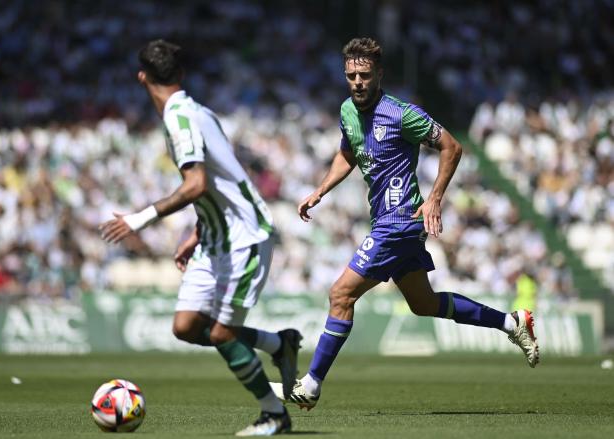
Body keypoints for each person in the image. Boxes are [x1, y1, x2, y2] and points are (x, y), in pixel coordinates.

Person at [270, 37, 539, 410]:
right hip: (386, 220)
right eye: (351, 76)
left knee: (340, 295)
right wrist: (320, 191)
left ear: (379, 74)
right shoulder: (348, 110)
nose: (358, 82)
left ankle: (311, 385)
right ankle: (512, 323)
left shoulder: (401, 114)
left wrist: (435, 197)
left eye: (365, 75)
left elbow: (452, 146)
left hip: (399, 222)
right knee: (424, 303)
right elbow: (349, 152)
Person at [99, 40, 300, 436]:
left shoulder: (180, 119)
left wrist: (140, 219)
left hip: (244, 235)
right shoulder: (198, 112)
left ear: (142, 78)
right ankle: (279, 344)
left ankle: (274, 413)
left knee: (222, 333)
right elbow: (221, 180)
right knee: (187, 326)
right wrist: (197, 231)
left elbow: (196, 183)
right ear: (181, 74)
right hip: (215, 236)